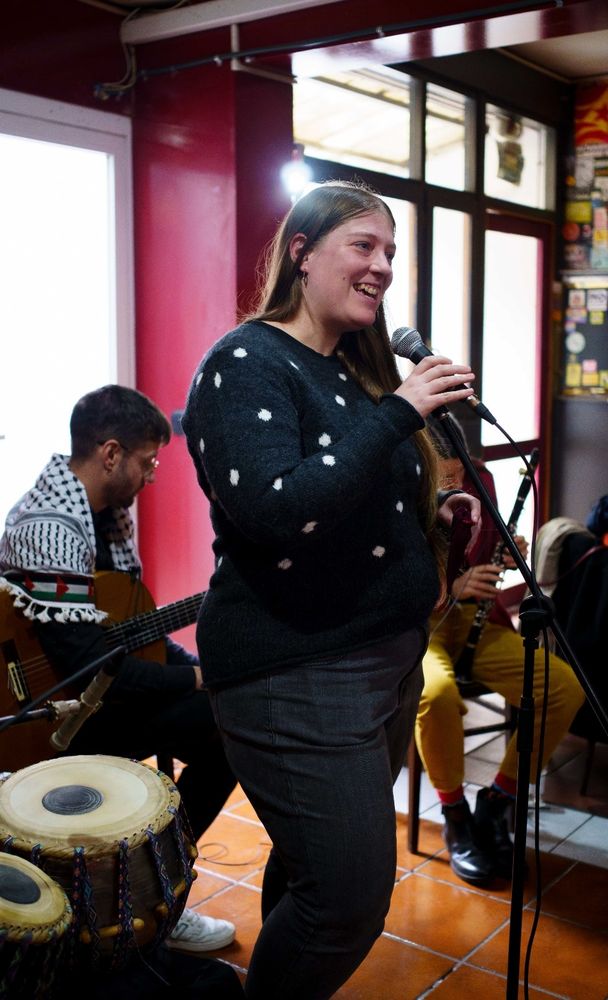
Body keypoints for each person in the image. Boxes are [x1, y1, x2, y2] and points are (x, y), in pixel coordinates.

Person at [181, 180, 482, 1000]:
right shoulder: (246, 362)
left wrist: (425, 508)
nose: (383, 266)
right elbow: (276, 510)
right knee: (348, 903)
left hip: (383, 662)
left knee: (313, 874)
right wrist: (399, 414)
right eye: (364, 246)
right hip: (299, 669)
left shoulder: (348, 369)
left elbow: (347, 490)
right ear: (303, 253)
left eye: (391, 252)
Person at [0, 384, 237, 954]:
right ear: (111, 453)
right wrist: (197, 680)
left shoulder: (108, 518)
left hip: (97, 694)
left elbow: (132, 635)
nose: (152, 475)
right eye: (148, 461)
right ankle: (152, 894)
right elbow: (90, 670)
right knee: (224, 729)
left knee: (224, 717)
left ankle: (151, 890)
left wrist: (198, 667)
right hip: (51, 718)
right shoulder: (50, 527)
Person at [417, 414, 585, 885]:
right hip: (420, 628)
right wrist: (452, 583)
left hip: (478, 623)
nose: (453, 486)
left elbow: (486, 545)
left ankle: (497, 800)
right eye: (443, 477)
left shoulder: (481, 478)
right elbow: (388, 573)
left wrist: (508, 553)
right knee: (436, 694)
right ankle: (455, 814)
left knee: (563, 687)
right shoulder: (400, 485)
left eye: (458, 474)